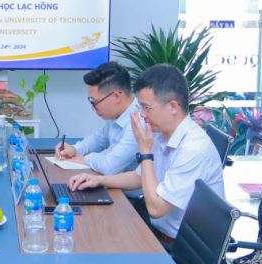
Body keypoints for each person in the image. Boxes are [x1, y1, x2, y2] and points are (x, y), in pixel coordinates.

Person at [69, 64, 225, 244]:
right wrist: (99, 181)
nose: (142, 115)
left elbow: (156, 209)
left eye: (146, 107)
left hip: (183, 246)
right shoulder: (161, 134)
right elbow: (138, 177)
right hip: (158, 231)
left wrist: (145, 152)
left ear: (173, 107)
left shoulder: (193, 148)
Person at [55, 61, 140, 175]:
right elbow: (98, 140)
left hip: (131, 186)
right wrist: (75, 149)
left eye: (94, 102)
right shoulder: (118, 114)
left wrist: (85, 159)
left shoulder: (138, 121)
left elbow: (109, 166)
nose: (93, 108)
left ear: (116, 96)